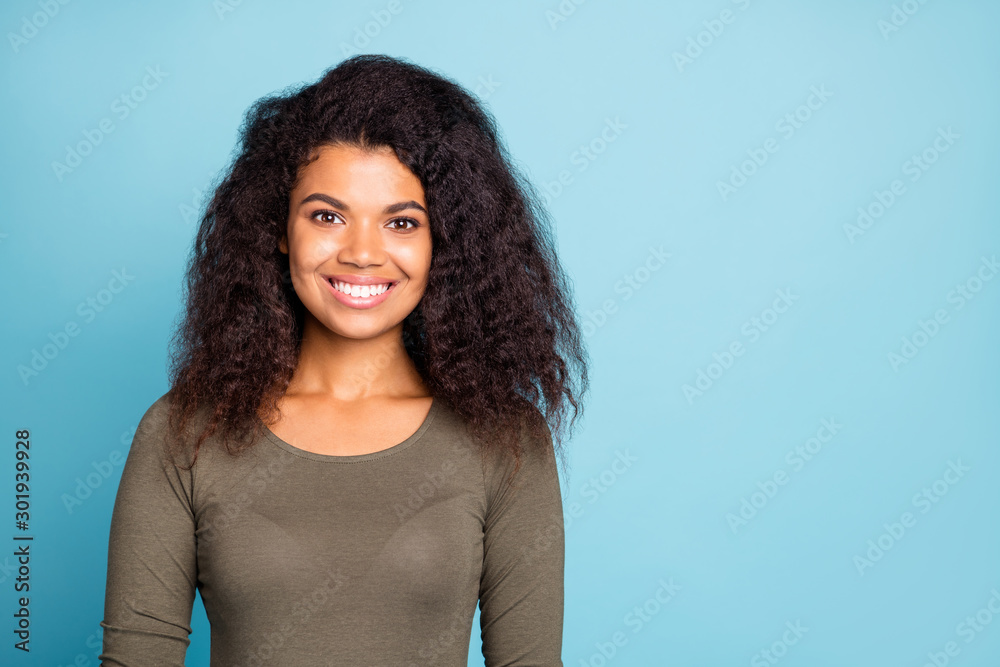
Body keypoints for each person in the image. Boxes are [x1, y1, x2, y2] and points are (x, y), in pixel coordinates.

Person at [99, 54, 589, 666]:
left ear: (446, 245)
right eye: (328, 216)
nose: (361, 253)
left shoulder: (505, 438)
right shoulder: (182, 433)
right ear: (279, 228)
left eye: (402, 222)